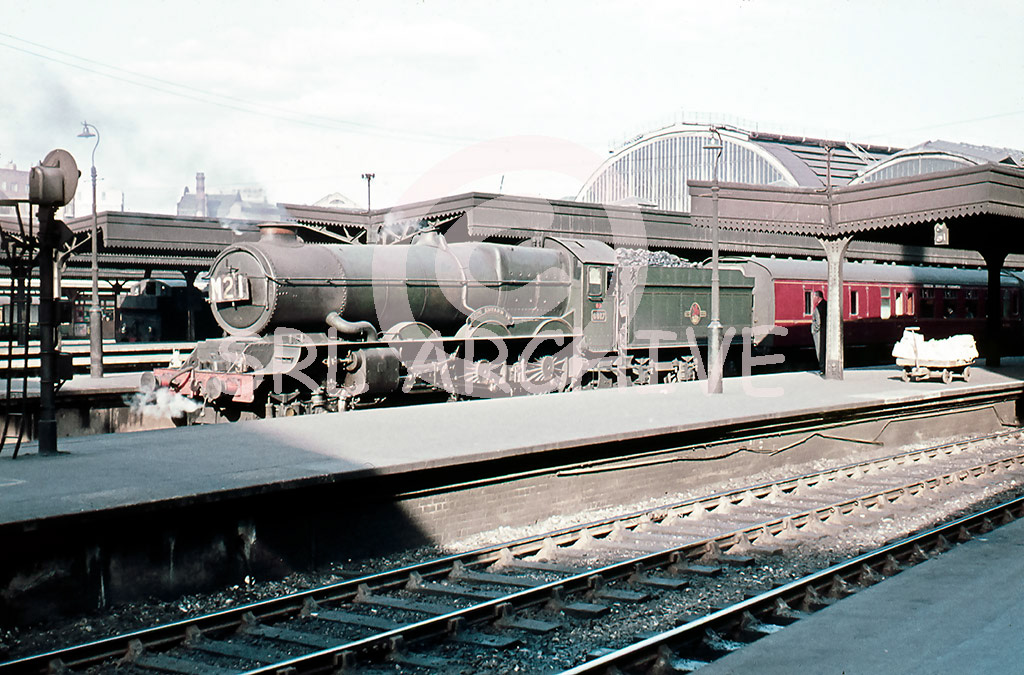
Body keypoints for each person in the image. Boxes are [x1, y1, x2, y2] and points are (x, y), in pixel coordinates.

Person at [810, 292, 827, 373]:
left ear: (818, 297)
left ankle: (822, 368)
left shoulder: (818, 308)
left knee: (819, 350)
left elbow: (817, 322)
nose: (813, 299)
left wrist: (814, 330)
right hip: (826, 331)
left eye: (814, 297)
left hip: (819, 333)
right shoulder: (827, 305)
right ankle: (824, 368)